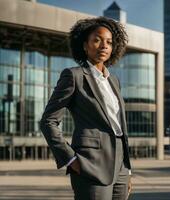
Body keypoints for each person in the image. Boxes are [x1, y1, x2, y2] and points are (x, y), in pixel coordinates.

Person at [40, 16, 133, 200]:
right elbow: (48, 121)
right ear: (85, 45)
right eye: (97, 40)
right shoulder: (74, 76)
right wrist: (71, 158)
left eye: (109, 42)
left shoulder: (114, 81)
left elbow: (119, 127)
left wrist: (128, 170)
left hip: (121, 165)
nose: (104, 46)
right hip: (91, 162)